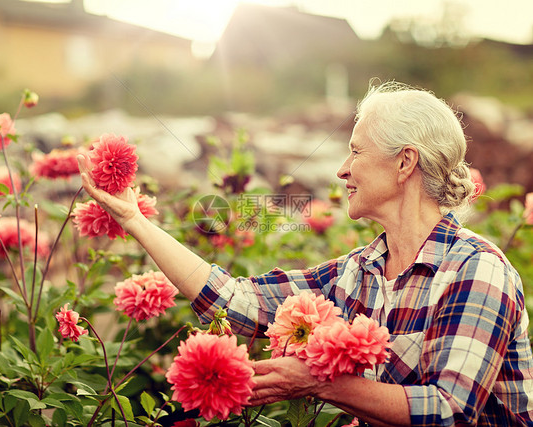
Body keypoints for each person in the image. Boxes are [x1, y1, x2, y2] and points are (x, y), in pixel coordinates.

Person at [77, 81, 533, 426]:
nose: (341, 169)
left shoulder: (477, 269)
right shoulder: (359, 272)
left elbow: (450, 413)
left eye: (356, 152)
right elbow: (237, 300)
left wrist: (321, 382)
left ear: (404, 162)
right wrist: (134, 219)